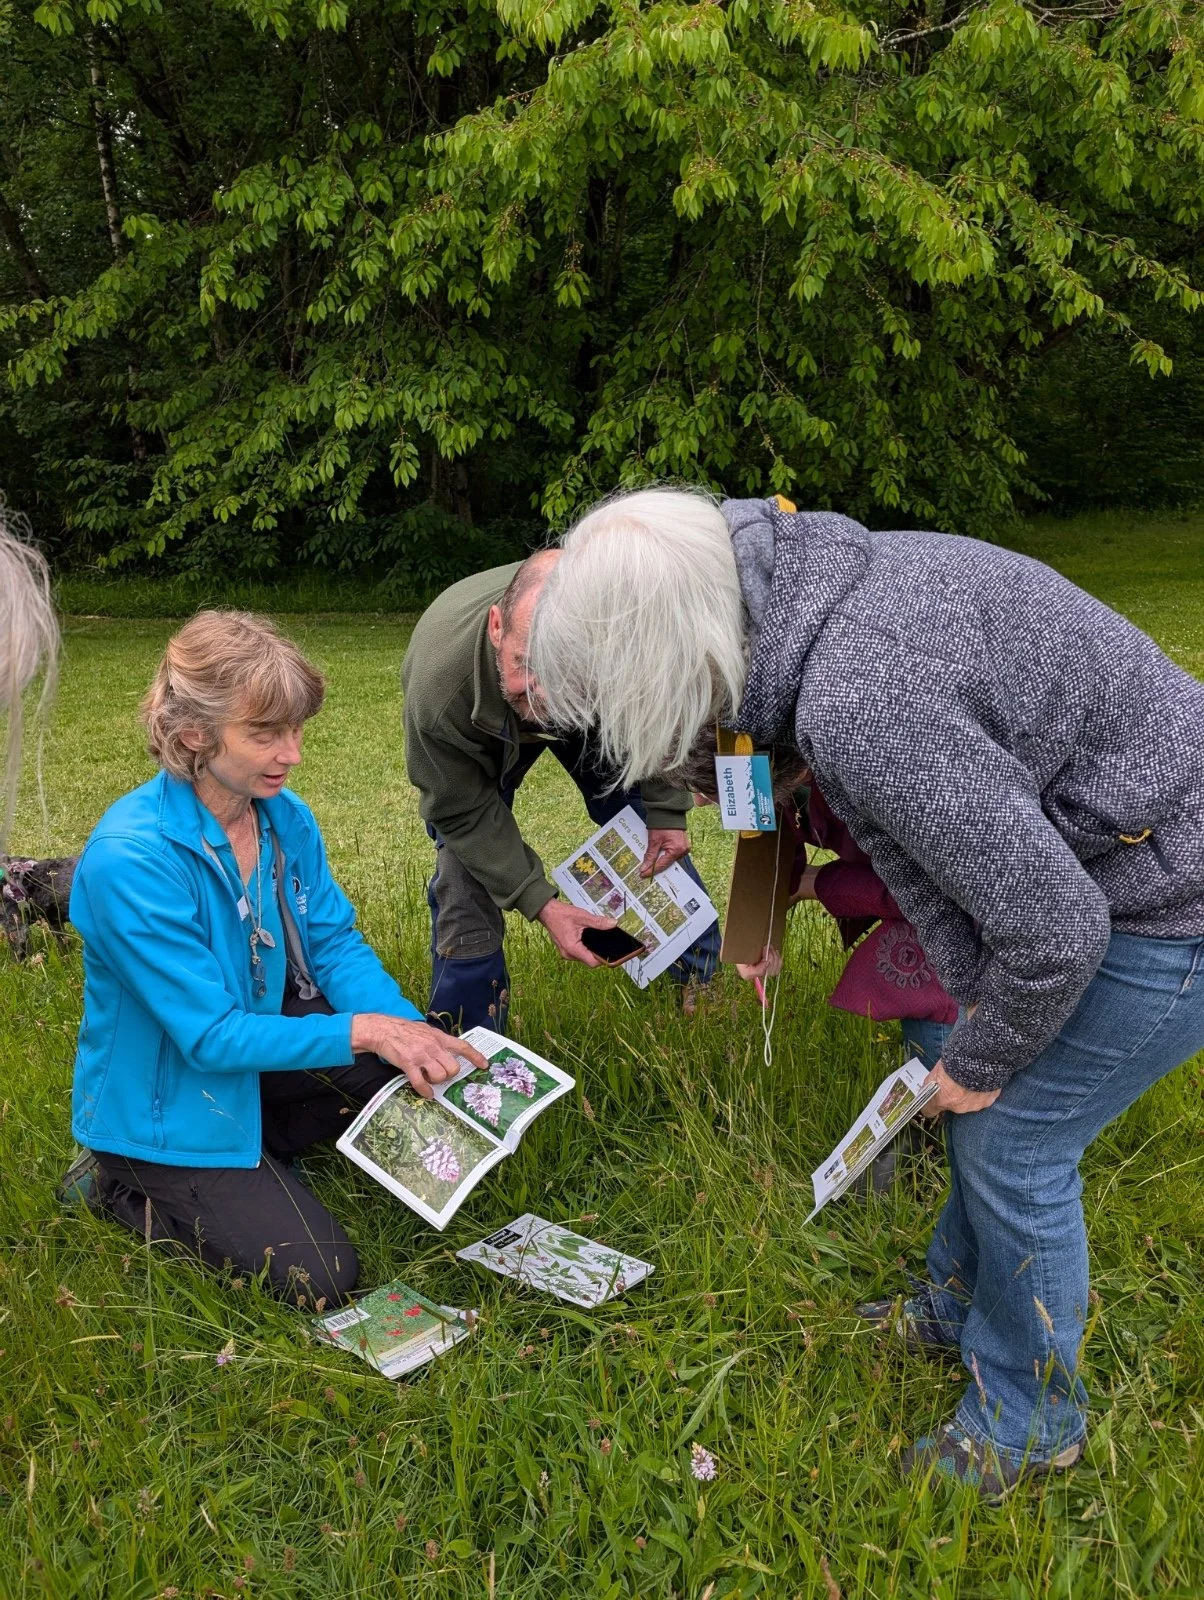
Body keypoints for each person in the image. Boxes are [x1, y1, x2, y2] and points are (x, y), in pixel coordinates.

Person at [525, 487, 1204, 1494]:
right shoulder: (806, 585)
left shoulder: (860, 696)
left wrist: (978, 1055)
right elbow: (943, 876)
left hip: (1169, 892)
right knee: (988, 1113)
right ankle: (955, 1305)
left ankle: (1031, 1419)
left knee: (1011, 1137)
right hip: (1112, 857)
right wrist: (977, 1008)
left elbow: (1056, 929)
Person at [69, 611, 486, 1307]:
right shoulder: (130, 860)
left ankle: (265, 1147)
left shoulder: (283, 816)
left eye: (295, 729)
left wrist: (411, 1032)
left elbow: (333, 945)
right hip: (170, 1101)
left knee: (398, 1076)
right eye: (265, 733)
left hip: (254, 1053)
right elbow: (207, 1036)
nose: (291, 753)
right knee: (322, 1277)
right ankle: (120, 1185)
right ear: (193, 733)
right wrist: (367, 1031)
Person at [402, 551, 719, 1033]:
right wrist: (541, 903)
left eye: (561, 673)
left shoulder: (623, 644)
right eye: (526, 664)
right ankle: (467, 1027)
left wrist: (666, 811)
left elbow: (651, 723)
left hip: (590, 702)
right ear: (496, 627)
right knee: (465, 867)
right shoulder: (441, 690)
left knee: (637, 815)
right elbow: (462, 814)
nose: (543, 694)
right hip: (479, 709)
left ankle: (701, 981)